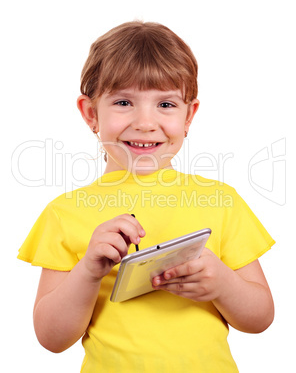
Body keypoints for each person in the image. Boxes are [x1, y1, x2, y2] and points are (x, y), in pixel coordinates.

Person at [18, 21, 275, 372]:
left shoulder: (220, 201)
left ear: (189, 116)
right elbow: (51, 339)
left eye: (166, 105)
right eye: (124, 102)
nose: (145, 122)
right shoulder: (64, 213)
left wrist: (223, 283)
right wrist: (88, 271)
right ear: (91, 113)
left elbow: (260, 318)